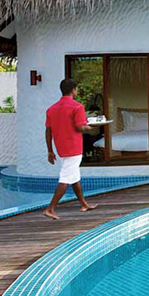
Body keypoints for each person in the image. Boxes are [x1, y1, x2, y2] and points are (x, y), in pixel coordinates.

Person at [43, 79, 98, 220]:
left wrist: (50, 150)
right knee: (66, 178)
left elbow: (48, 131)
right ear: (74, 90)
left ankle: (83, 204)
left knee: (74, 176)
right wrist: (90, 127)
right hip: (74, 147)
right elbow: (79, 127)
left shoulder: (52, 109)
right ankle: (50, 208)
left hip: (61, 148)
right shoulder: (77, 107)